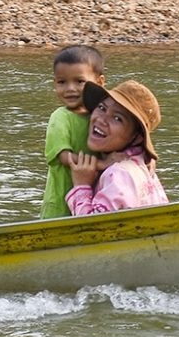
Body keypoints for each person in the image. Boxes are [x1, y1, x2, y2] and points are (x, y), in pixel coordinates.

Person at [62, 79, 169, 214]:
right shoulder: (142, 166)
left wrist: (82, 185)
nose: (101, 119)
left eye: (117, 118)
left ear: (137, 137)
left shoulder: (119, 174)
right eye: (102, 108)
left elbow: (95, 229)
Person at [42, 44, 105, 218]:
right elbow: (64, 157)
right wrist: (104, 165)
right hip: (60, 206)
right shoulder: (60, 118)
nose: (70, 89)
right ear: (55, 83)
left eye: (79, 81)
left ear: (99, 82)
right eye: (62, 82)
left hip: (92, 201)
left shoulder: (101, 115)